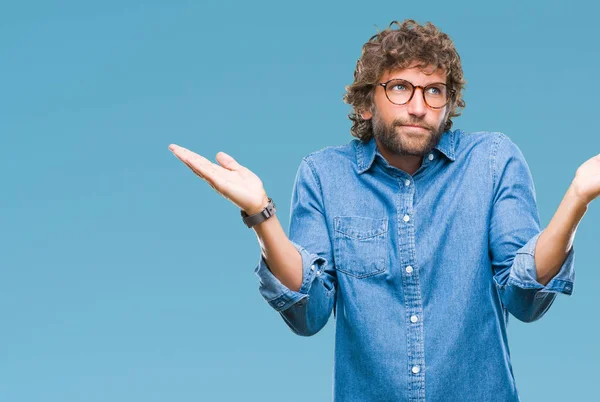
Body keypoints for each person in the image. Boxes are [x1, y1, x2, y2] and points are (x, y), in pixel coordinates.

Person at [169, 19, 599, 402]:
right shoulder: (323, 175)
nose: (418, 106)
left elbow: (524, 297)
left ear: (448, 105)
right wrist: (262, 214)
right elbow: (310, 312)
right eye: (399, 88)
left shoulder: (492, 160)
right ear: (365, 103)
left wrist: (578, 197)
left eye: (434, 91)